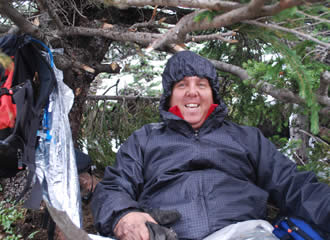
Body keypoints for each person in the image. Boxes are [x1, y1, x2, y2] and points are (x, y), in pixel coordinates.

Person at [91, 51, 330, 240]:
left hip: (245, 233)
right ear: (169, 95)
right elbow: (114, 187)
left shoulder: (247, 138)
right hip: (170, 235)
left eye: (201, 85)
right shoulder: (144, 139)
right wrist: (124, 216)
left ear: (213, 94)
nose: (192, 93)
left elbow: (293, 185)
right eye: (182, 85)